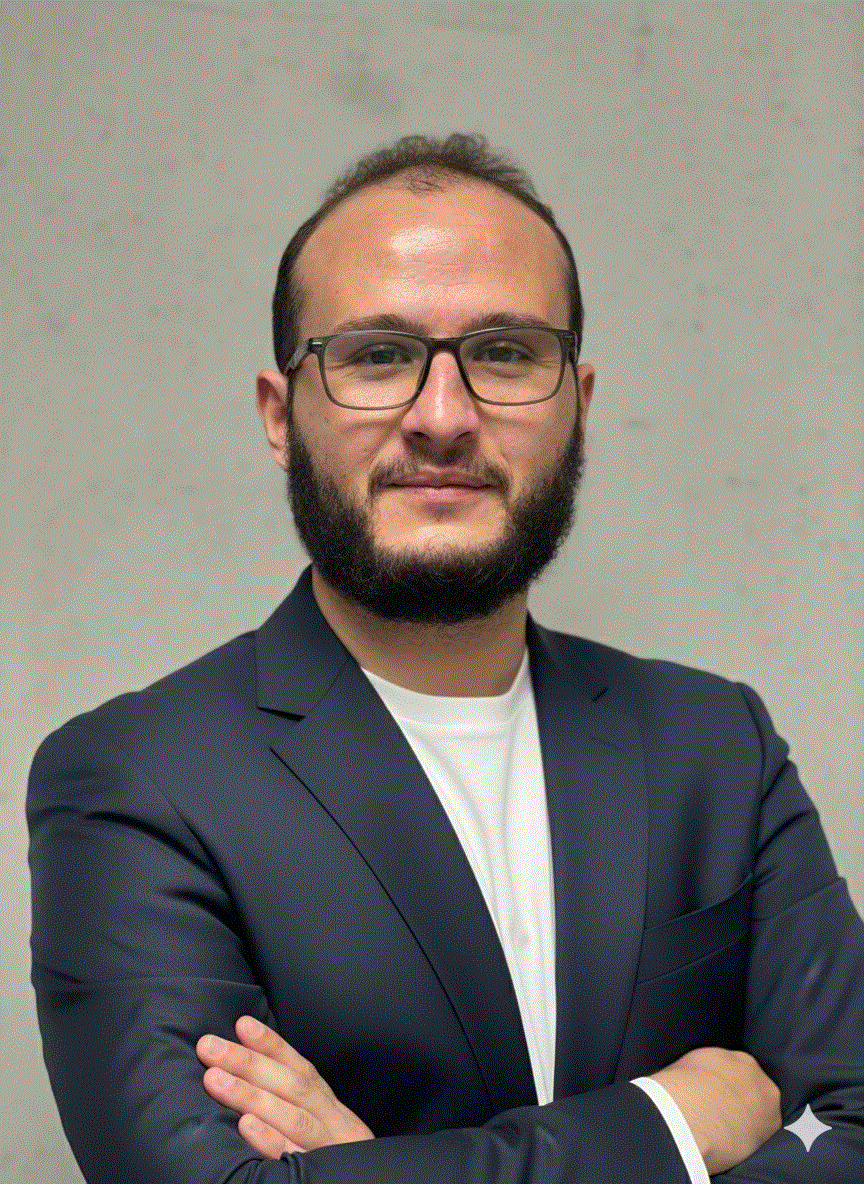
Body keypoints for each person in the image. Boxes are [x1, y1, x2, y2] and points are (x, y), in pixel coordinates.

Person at [28, 134, 863, 1184]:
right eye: (377, 355)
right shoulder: (134, 781)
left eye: (505, 353)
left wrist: (379, 1169)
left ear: (579, 407)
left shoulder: (719, 744)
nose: (442, 416)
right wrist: (670, 1124)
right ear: (281, 416)